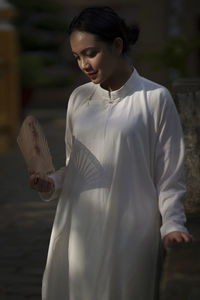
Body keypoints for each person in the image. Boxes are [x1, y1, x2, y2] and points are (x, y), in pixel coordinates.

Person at [29, 6, 193, 300]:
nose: (84, 65)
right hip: (81, 228)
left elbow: (170, 176)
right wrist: (51, 182)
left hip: (131, 232)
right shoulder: (79, 99)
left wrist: (172, 225)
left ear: (117, 45)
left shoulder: (155, 99)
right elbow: (74, 167)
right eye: (77, 57)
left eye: (90, 53)